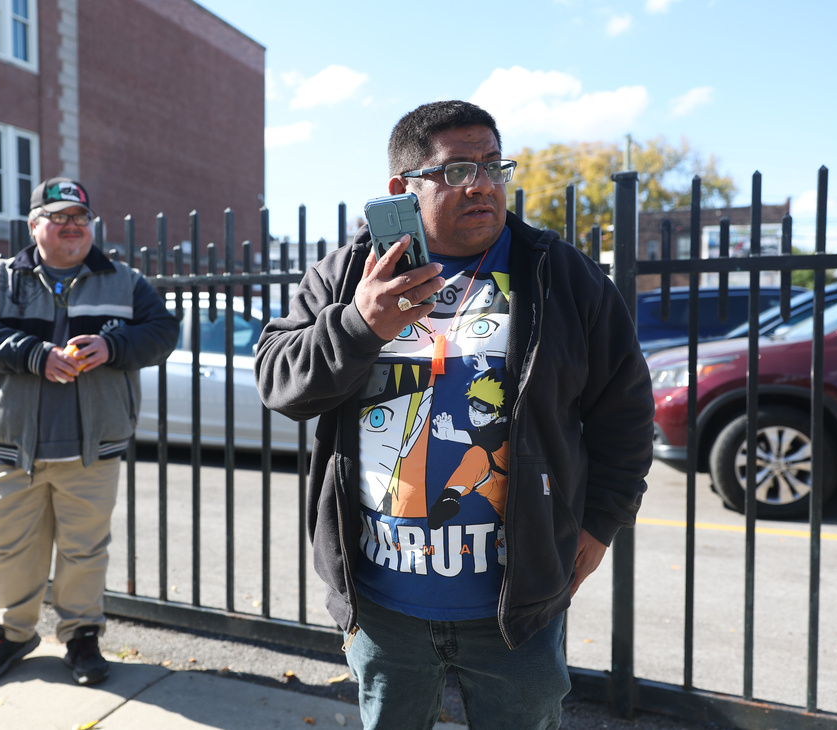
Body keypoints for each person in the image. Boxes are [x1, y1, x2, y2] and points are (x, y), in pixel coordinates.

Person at [254, 101, 654, 728]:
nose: (485, 185)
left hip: (515, 607)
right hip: (384, 603)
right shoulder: (345, 277)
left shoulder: (561, 276)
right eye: (458, 170)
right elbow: (280, 383)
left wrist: (602, 523)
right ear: (402, 190)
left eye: (495, 166)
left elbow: (625, 414)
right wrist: (360, 325)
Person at [0, 177, 179, 687]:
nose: (72, 227)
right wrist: (34, 356)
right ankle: (11, 633)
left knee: (84, 548)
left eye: (80, 218)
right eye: (59, 217)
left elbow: (163, 332)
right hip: (13, 445)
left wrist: (113, 348)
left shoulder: (125, 281)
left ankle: (80, 636)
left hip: (91, 448)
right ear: (34, 226)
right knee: (8, 549)